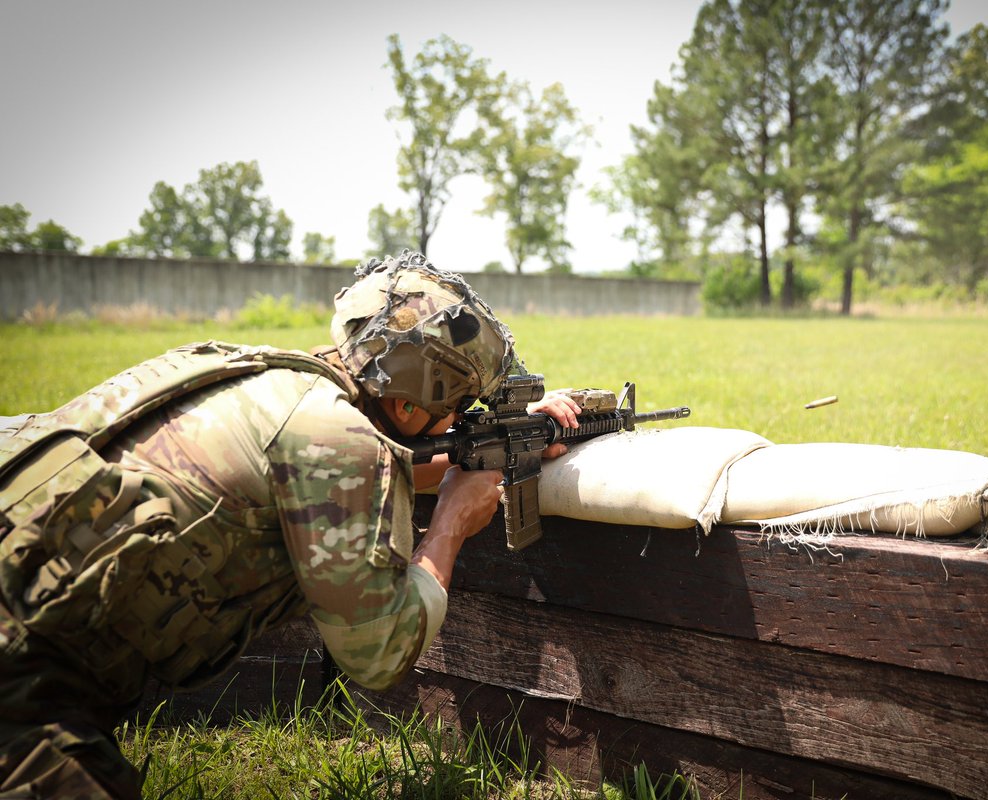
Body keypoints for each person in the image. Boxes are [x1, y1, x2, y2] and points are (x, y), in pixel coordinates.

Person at [0, 250, 581, 798]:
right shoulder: (338, 439)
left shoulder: (262, 381)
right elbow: (379, 655)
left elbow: (361, 467)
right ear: (407, 405)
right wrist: (453, 520)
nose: (464, 419)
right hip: (22, 678)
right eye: (460, 408)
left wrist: (478, 447)